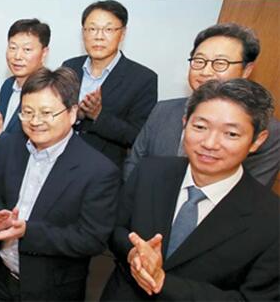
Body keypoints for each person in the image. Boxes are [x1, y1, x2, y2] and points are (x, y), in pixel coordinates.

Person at [101, 79, 279, 301]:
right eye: (200, 127)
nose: (210, 143)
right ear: (185, 123)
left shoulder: (272, 219)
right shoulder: (150, 171)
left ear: (257, 140)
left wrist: (163, 282)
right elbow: (116, 228)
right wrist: (132, 252)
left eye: (231, 134)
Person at [0, 67, 120, 301]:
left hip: (52, 288)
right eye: (27, 112)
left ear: (72, 113)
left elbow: (92, 239)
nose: (35, 122)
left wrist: (28, 231)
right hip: (1, 276)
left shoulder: (98, 171)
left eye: (46, 113)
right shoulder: (8, 146)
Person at [124, 23, 280, 186]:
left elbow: (250, 191)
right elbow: (134, 166)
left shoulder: (268, 130)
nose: (205, 71)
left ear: (246, 70)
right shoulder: (164, 110)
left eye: (220, 63)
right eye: (199, 61)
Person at [62, 0, 158, 167]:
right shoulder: (70, 67)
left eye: (108, 29)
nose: (99, 37)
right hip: (60, 161)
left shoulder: (143, 78)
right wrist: (77, 115)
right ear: (83, 32)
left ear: (122, 33)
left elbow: (138, 136)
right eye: (92, 29)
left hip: (102, 169)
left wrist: (98, 116)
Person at [0, 19, 49, 142]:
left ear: (44, 52)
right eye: (12, 48)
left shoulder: (48, 91)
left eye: (27, 50)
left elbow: (40, 143)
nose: (17, 56)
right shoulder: (8, 85)